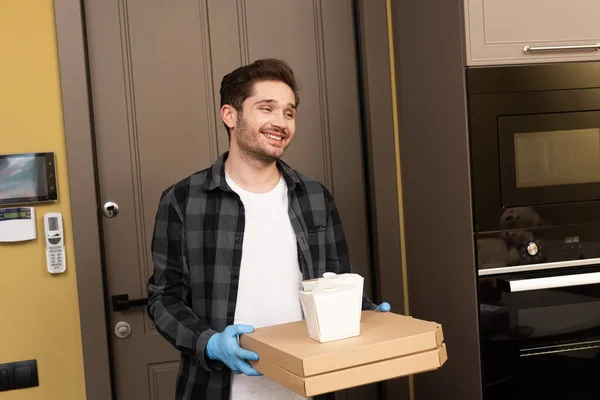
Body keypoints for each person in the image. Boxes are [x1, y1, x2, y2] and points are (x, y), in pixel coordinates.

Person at [147, 58, 391, 400]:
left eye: (289, 113)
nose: (281, 122)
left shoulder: (315, 197)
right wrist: (211, 343)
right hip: (218, 390)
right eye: (267, 109)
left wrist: (365, 314)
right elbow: (164, 299)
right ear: (230, 115)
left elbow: (336, 281)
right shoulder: (183, 200)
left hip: (308, 389)